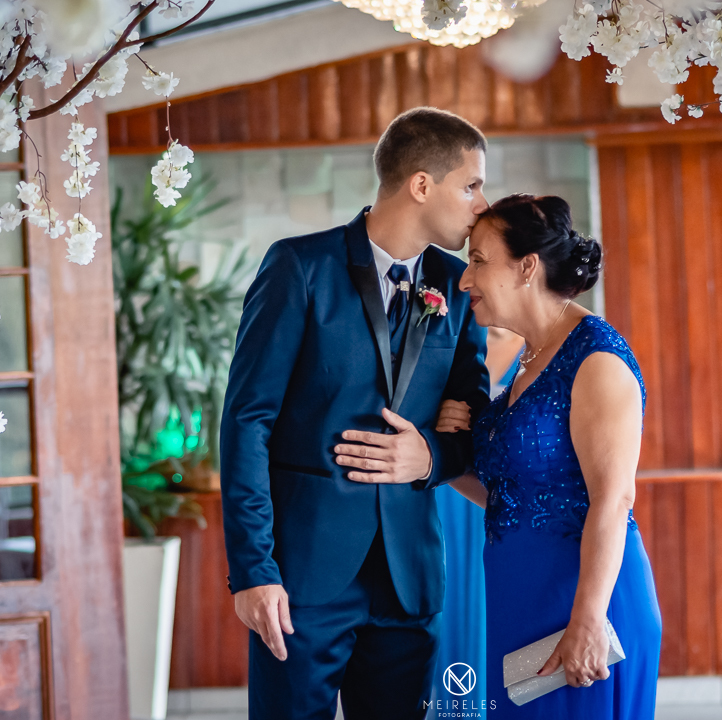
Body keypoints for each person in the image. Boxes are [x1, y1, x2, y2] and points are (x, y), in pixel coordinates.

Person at [219, 107, 491, 720]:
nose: (482, 205)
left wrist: (429, 458)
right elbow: (247, 422)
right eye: (471, 185)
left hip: (408, 581)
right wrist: (253, 571)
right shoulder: (299, 267)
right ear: (421, 185)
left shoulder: (458, 287)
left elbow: (472, 425)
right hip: (301, 580)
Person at [403, 194, 662, 716]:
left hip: (584, 605)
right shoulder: (531, 357)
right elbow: (511, 498)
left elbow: (613, 500)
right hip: (516, 601)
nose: (464, 280)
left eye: (479, 261)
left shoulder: (596, 358)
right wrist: (439, 456)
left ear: (527, 267)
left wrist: (588, 620)